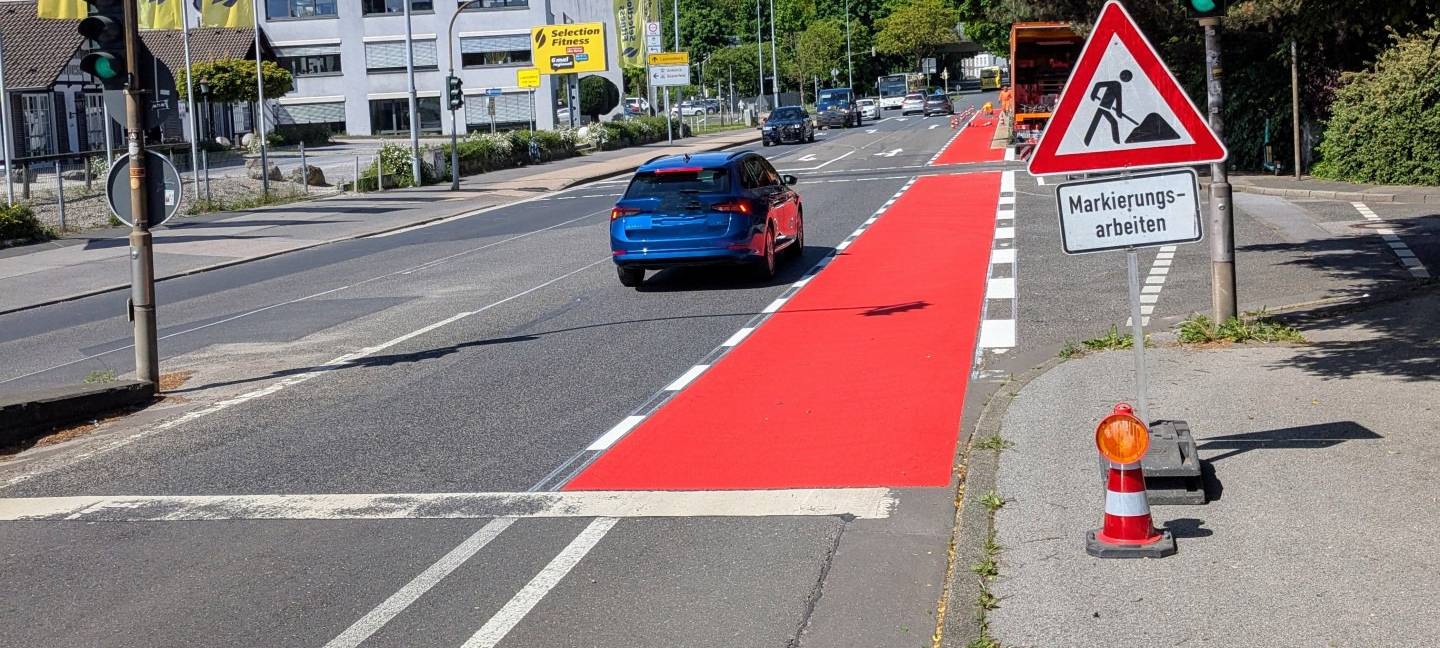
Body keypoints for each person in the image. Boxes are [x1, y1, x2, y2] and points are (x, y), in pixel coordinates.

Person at [1084, 70, 1133, 146]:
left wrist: (1118, 112)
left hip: (1105, 108)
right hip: (1102, 107)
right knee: (1111, 122)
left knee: (1102, 123)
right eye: (1127, 77)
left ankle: (1087, 141)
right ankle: (1117, 143)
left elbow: (1118, 100)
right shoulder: (1115, 84)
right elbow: (1098, 85)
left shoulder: (1117, 85)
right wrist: (1093, 95)